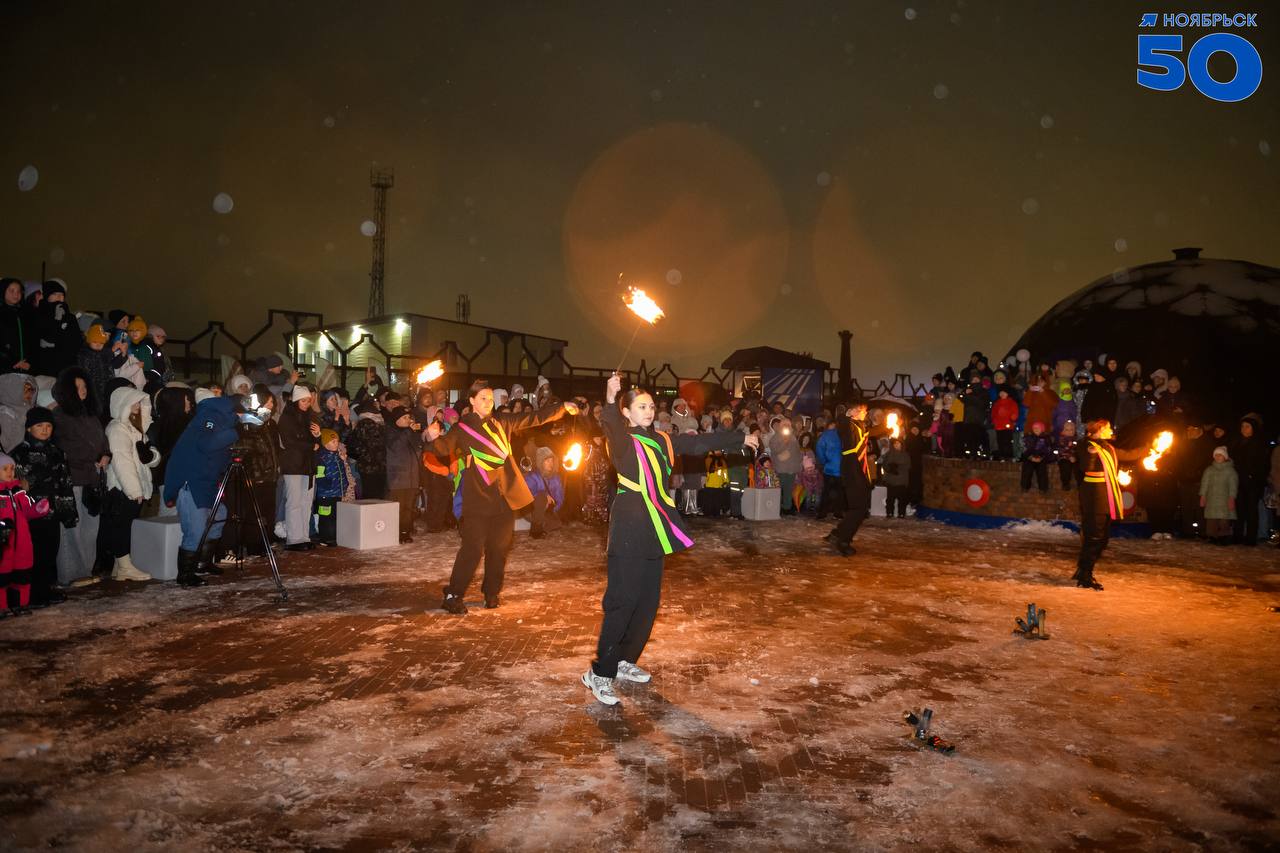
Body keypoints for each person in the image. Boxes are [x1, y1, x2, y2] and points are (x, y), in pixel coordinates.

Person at [583, 374, 757, 705]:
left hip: (655, 527)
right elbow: (609, 423)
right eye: (641, 406)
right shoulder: (621, 440)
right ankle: (600, 673)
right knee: (622, 602)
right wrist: (608, 397)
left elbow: (696, 443)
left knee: (647, 603)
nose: (648, 411)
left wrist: (738, 439)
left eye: (650, 405)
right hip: (629, 528)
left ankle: (624, 661)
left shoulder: (662, 439)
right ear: (627, 413)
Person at [423, 379, 577, 613]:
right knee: (472, 549)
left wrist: (561, 408)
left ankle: (491, 593)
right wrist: (430, 436)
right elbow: (442, 449)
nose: (488, 403)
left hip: (504, 497)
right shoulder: (463, 428)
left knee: (499, 548)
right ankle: (453, 594)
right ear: (472, 401)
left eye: (490, 399)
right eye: (483, 398)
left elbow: (534, 417)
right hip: (477, 498)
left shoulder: (502, 422)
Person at [164, 394, 241, 586]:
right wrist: (236, 432)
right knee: (196, 529)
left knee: (220, 515)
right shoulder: (209, 417)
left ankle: (202, 563)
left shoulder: (221, 419)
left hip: (206, 482)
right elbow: (206, 444)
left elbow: (217, 456)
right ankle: (185, 574)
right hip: (191, 482)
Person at [10, 407, 77, 606]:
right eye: (40, 426)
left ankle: (45, 589)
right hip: (29, 515)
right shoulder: (19, 453)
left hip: (52, 511)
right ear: (29, 428)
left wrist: (68, 512)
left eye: (48, 426)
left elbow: (65, 482)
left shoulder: (57, 452)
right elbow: (14, 485)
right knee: (32, 554)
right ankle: (29, 594)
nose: (45, 430)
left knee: (49, 552)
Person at [51, 366, 110, 585]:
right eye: (78, 387)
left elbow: (102, 441)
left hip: (92, 478)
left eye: (85, 386)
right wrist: (94, 456)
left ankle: (85, 570)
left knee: (89, 529)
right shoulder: (59, 415)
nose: (83, 391)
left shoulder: (91, 415)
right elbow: (64, 447)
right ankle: (70, 575)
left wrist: (106, 454)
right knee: (71, 530)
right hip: (72, 479)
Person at [1074, 419, 1145, 590]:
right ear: (1097, 430)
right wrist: (1091, 455)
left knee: (1102, 538)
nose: (1110, 430)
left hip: (1106, 497)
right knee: (1094, 536)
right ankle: (1085, 575)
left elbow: (1127, 455)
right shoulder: (1086, 445)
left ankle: (1082, 569)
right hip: (1094, 497)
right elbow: (1085, 468)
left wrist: (1149, 448)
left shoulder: (1107, 447)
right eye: (1106, 428)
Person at [102, 386, 159, 582]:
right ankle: (125, 566)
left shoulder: (135, 428)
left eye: (139, 402)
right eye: (133, 402)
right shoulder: (118, 429)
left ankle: (120, 567)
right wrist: (134, 490)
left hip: (134, 485)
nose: (137, 406)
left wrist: (150, 456)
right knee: (122, 525)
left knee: (125, 524)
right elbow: (122, 461)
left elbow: (148, 458)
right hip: (122, 487)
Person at [825, 400, 888, 557]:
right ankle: (843, 541)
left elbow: (871, 431)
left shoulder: (860, 426)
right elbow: (842, 422)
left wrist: (888, 427)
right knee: (858, 509)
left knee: (859, 507)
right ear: (853, 412)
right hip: (852, 471)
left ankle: (837, 534)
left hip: (859, 471)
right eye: (862, 411)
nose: (865, 413)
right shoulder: (847, 425)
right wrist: (846, 414)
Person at [0, 452, 50, 616]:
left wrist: (38, 509)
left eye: (12, 468)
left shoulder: (19, 491)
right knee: (2, 576)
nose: (10, 472)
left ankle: (21, 604)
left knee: (22, 574)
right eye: (5, 468)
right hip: (3, 542)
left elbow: (28, 510)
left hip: (22, 542)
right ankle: (2, 606)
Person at [278, 385, 321, 551]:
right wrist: (311, 445)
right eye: (303, 400)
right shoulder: (287, 417)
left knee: (306, 502)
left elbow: (318, 443)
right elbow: (289, 442)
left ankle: (304, 536)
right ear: (296, 400)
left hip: (308, 465)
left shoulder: (311, 416)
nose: (306, 403)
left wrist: (318, 436)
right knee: (294, 502)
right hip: (293, 465)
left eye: (309, 400)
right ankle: (294, 539)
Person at [30, 280, 83, 379]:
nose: (59, 297)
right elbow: (42, 338)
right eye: (54, 294)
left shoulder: (70, 317)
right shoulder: (39, 314)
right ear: (47, 296)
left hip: (66, 365)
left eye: (61, 294)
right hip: (44, 367)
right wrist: (57, 321)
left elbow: (76, 341)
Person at [385, 408, 424, 543]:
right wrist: (409, 431)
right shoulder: (390, 432)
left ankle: (405, 532)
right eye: (405, 418)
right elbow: (396, 446)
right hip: (398, 478)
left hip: (412, 477)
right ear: (396, 420)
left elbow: (418, 450)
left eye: (409, 417)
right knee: (399, 508)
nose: (409, 420)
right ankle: (395, 533)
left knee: (408, 507)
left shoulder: (410, 433)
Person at [1232, 416, 1268, 545]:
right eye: (1242, 426)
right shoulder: (1238, 442)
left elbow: (1263, 464)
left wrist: (1253, 476)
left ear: (1253, 429)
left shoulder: (1258, 443)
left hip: (1253, 483)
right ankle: (1238, 535)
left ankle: (1251, 538)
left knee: (1251, 510)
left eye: (1247, 426)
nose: (1244, 429)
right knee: (1239, 509)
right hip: (1239, 481)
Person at [313, 429, 352, 546]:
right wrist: (326, 486)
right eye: (333, 441)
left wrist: (344, 484)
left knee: (335, 515)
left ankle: (334, 536)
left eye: (337, 441)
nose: (336, 443)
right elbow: (319, 475)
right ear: (325, 444)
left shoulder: (338, 457)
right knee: (326, 517)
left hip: (337, 492)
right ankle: (325, 537)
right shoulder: (322, 458)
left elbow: (342, 472)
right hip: (325, 494)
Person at [346, 401, 387, 499]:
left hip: (366, 466)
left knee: (368, 495)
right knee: (379, 495)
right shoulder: (381, 427)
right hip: (380, 466)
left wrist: (360, 456)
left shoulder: (362, 426)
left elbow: (352, 446)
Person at [1199, 446, 1238, 545]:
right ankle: (1212, 536)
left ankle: (1223, 536)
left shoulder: (1230, 471)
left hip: (1224, 499)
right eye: (1216, 455)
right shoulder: (1209, 470)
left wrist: (1232, 497)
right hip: (1211, 498)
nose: (1217, 457)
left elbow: (1233, 485)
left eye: (1220, 455)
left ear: (1225, 457)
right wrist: (1203, 495)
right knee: (1211, 518)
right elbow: (1205, 483)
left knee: (1224, 519)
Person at [523, 446, 564, 538]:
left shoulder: (555, 478)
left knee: (557, 524)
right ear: (541, 462)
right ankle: (536, 531)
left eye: (552, 460)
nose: (551, 464)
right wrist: (545, 496)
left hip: (546, 509)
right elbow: (527, 494)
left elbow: (559, 497)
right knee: (541, 497)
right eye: (547, 461)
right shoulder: (532, 476)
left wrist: (553, 510)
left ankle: (545, 523)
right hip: (531, 510)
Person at [814, 418, 844, 520]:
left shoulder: (824, 436)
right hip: (840, 468)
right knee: (839, 491)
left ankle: (823, 513)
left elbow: (819, 450)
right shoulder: (841, 435)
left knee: (826, 491)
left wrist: (824, 462)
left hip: (829, 468)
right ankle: (837, 512)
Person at [0, 373, 36, 452]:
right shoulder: (5, 414)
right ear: (10, 392)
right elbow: (5, 443)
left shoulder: (34, 410)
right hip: (11, 454)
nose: (29, 395)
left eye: (31, 390)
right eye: (25, 390)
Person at [879, 437, 911, 518]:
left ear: (901, 445)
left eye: (898, 443)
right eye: (895, 444)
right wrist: (890, 469)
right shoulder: (889, 454)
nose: (896, 445)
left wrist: (898, 467)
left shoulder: (905, 455)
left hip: (902, 480)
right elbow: (885, 464)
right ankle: (889, 512)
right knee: (890, 499)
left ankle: (901, 513)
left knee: (902, 499)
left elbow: (908, 466)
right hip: (891, 481)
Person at [1021, 421, 1052, 493]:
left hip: (1041, 458)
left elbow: (1048, 449)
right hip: (1030, 457)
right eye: (1034, 428)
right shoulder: (1028, 437)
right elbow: (1024, 448)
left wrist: (1041, 457)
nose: (1036, 429)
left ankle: (1043, 488)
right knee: (1027, 470)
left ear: (1042, 429)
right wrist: (1030, 457)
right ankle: (1025, 486)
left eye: (1038, 428)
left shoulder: (1046, 438)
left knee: (1042, 471)